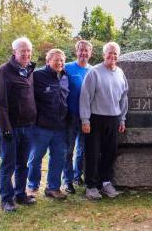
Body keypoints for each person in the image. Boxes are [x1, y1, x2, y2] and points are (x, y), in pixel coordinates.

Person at [0, 37, 37, 212]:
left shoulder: (30, 71)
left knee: (23, 164)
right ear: (14, 52)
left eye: (28, 50)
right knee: (8, 164)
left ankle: (20, 194)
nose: (26, 53)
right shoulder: (4, 72)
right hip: (11, 128)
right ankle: (6, 199)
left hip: (28, 127)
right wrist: (6, 128)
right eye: (22, 50)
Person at [80, 42, 128, 200]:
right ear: (103, 55)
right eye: (109, 53)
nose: (112, 56)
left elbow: (124, 97)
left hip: (114, 119)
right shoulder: (94, 72)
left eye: (115, 53)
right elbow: (85, 96)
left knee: (110, 152)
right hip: (95, 119)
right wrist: (85, 120)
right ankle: (91, 186)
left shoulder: (120, 72)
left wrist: (122, 119)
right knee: (93, 153)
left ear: (118, 56)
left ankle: (106, 183)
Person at [27, 49, 69, 200]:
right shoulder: (37, 76)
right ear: (48, 61)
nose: (59, 63)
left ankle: (53, 188)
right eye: (56, 60)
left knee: (58, 158)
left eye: (62, 60)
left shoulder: (65, 76)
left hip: (60, 127)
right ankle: (32, 186)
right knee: (36, 157)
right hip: (41, 126)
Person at [62, 40, 93, 194]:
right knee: (68, 150)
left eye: (86, 50)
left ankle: (77, 175)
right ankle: (67, 181)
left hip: (87, 116)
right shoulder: (67, 68)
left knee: (82, 150)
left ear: (90, 53)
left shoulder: (93, 71)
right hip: (70, 116)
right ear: (76, 51)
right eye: (81, 50)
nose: (83, 53)